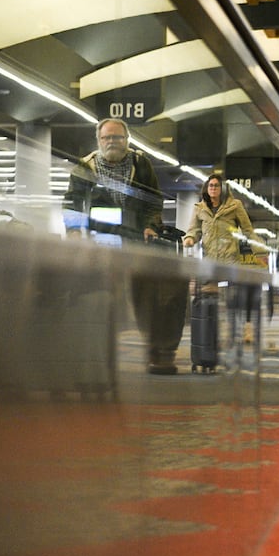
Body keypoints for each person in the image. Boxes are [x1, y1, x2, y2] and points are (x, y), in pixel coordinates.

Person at [64, 117, 187, 375]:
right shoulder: (84, 168)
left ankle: (160, 352)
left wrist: (151, 225)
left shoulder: (141, 165)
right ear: (99, 140)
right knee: (98, 300)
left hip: (136, 242)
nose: (112, 142)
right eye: (107, 137)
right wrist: (74, 232)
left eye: (117, 137)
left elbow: (153, 201)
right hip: (99, 243)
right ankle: (92, 354)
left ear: (127, 140)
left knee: (157, 292)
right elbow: (72, 204)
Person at [182, 174, 258, 264]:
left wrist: (258, 251)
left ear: (223, 189)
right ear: (206, 188)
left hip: (230, 260)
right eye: (211, 185)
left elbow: (247, 230)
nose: (213, 188)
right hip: (209, 260)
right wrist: (190, 239)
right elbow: (194, 230)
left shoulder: (235, 206)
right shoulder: (199, 208)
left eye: (216, 185)